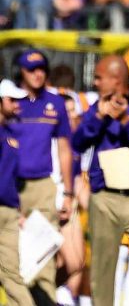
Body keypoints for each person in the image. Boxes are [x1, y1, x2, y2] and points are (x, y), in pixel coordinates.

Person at [71, 55, 129, 306]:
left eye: (99, 77)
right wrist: (98, 117)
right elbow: (77, 143)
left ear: (116, 79)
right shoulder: (97, 106)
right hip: (104, 198)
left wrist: (124, 121)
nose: (95, 82)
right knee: (102, 272)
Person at [10, 49, 73, 305]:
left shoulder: (56, 103)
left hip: (44, 186)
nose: (37, 74)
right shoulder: (10, 102)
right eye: (31, 69)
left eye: (41, 69)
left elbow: (64, 148)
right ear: (20, 72)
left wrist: (67, 193)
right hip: (12, 187)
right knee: (13, 257)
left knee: (44, 256)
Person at [0, 79, 34, 306]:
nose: (17, 105)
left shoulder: (10, 133)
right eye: (11, 100)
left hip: (9, 213)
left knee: (13, 275)